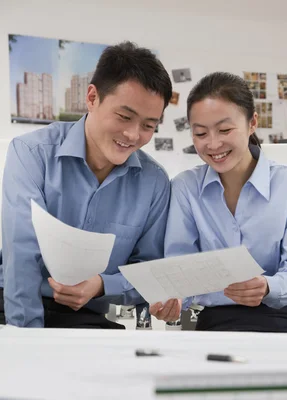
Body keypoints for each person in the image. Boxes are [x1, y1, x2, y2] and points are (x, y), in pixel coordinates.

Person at [0, 41, 172, 328]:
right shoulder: (31, 154)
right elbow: (22, 256)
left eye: (148, 125)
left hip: (88, 315)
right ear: (92, 98)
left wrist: (103, 285)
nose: (132, 134)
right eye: (125, 116)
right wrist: (27, 339)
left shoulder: (155, 182)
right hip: (14, 302)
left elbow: (148, 270)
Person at [150, 72, 287, 333]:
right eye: (201, 133)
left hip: (284, 317)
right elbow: (179, 268)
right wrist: (173, 299)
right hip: (218, 321)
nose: (213, 144)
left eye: (225, 130)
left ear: (252, 123)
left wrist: (267, 287)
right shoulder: (185, 187)